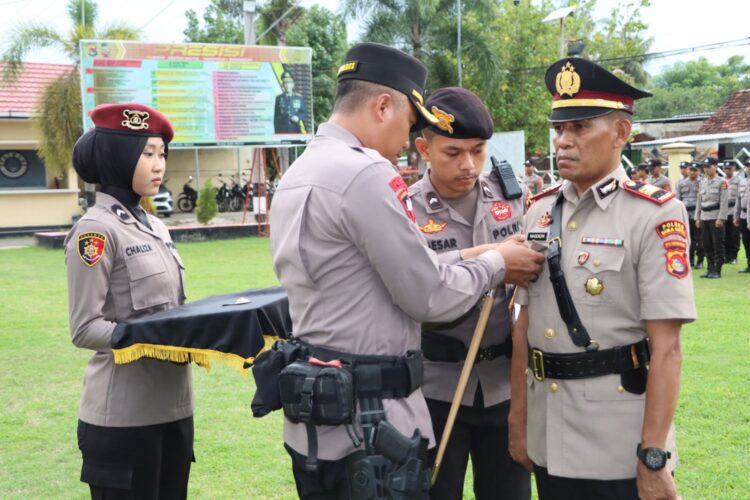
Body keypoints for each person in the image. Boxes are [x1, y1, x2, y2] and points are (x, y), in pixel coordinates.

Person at [268, 42, 543, 499]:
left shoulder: (301, 170)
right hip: (372, 423)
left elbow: (385, 274)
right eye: (409, 122)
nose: (404, 138)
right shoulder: (365, 173)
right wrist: (497, 263)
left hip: (322, 416)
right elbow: (428, 295)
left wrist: (476, 255)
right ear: (381, 106)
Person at [508, 57, 696, 500]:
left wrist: (653, 455)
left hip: (615, 439)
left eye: (580, 128)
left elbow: (667, 349)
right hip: (548, 429)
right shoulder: (539, 209)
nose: (563, 142)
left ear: (620, 133)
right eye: (559, 129)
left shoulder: (653, 214)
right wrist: (519, 418)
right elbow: (523, 325)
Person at [65, 103, 194, 499]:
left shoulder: (156, 226)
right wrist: (155, 334)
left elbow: (173, 309)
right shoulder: (96, 231)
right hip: (122, 420)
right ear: (119, 156)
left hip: (174, 410)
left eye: (162, 154)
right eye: (147, 153)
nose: (159, 165)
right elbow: (86, 328)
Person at [410, 87, 531, 500]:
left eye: (478, 151)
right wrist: (491, 257)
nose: (468, 165)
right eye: (453, 152)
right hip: (435, 389)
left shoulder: (511, 197)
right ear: (423, 148)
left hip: (504, 386)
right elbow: (416, 285)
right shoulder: (405, 210)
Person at [695, 157, 730, 278]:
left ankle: (717, 270)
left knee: (717, 244)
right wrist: (697, 218)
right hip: (704, 217)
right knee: (706, 244)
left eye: (708, 167)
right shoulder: (702, 182)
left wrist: (721, 218)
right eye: (704, 167)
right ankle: (710, 268)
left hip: (716, 216)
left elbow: (724, 202)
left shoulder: (722, 182)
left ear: (715, 167)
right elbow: (699, 201)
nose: (706, 169)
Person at [675, 162, 704, 268]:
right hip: (685, 213)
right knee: (688, 238)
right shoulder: (681, 183)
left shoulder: (703, 182)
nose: (692, 172)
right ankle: (690, 259)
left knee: (700, 239)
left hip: (698, 214)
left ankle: (700, 260)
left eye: (695, 170)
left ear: (699, 171)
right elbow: (677, 199)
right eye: (690, 170)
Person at [722, 160, 741, 265]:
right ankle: (727, 256)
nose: (727, 170)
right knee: (724, 235)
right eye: (725, 168)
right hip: (724, 211)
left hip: (734, 210)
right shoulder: (721, 180)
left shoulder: (738, 180)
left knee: (734, 235)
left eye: (729, 168)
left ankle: (734, 257)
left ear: (734, 168)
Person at [736, 159, 750, 273]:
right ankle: (749, 264)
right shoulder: (743, 182)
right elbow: (738, 200)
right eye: (747, 166)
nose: (749, 168)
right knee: (746, 241)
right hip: (743, 215)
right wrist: (736, 216)